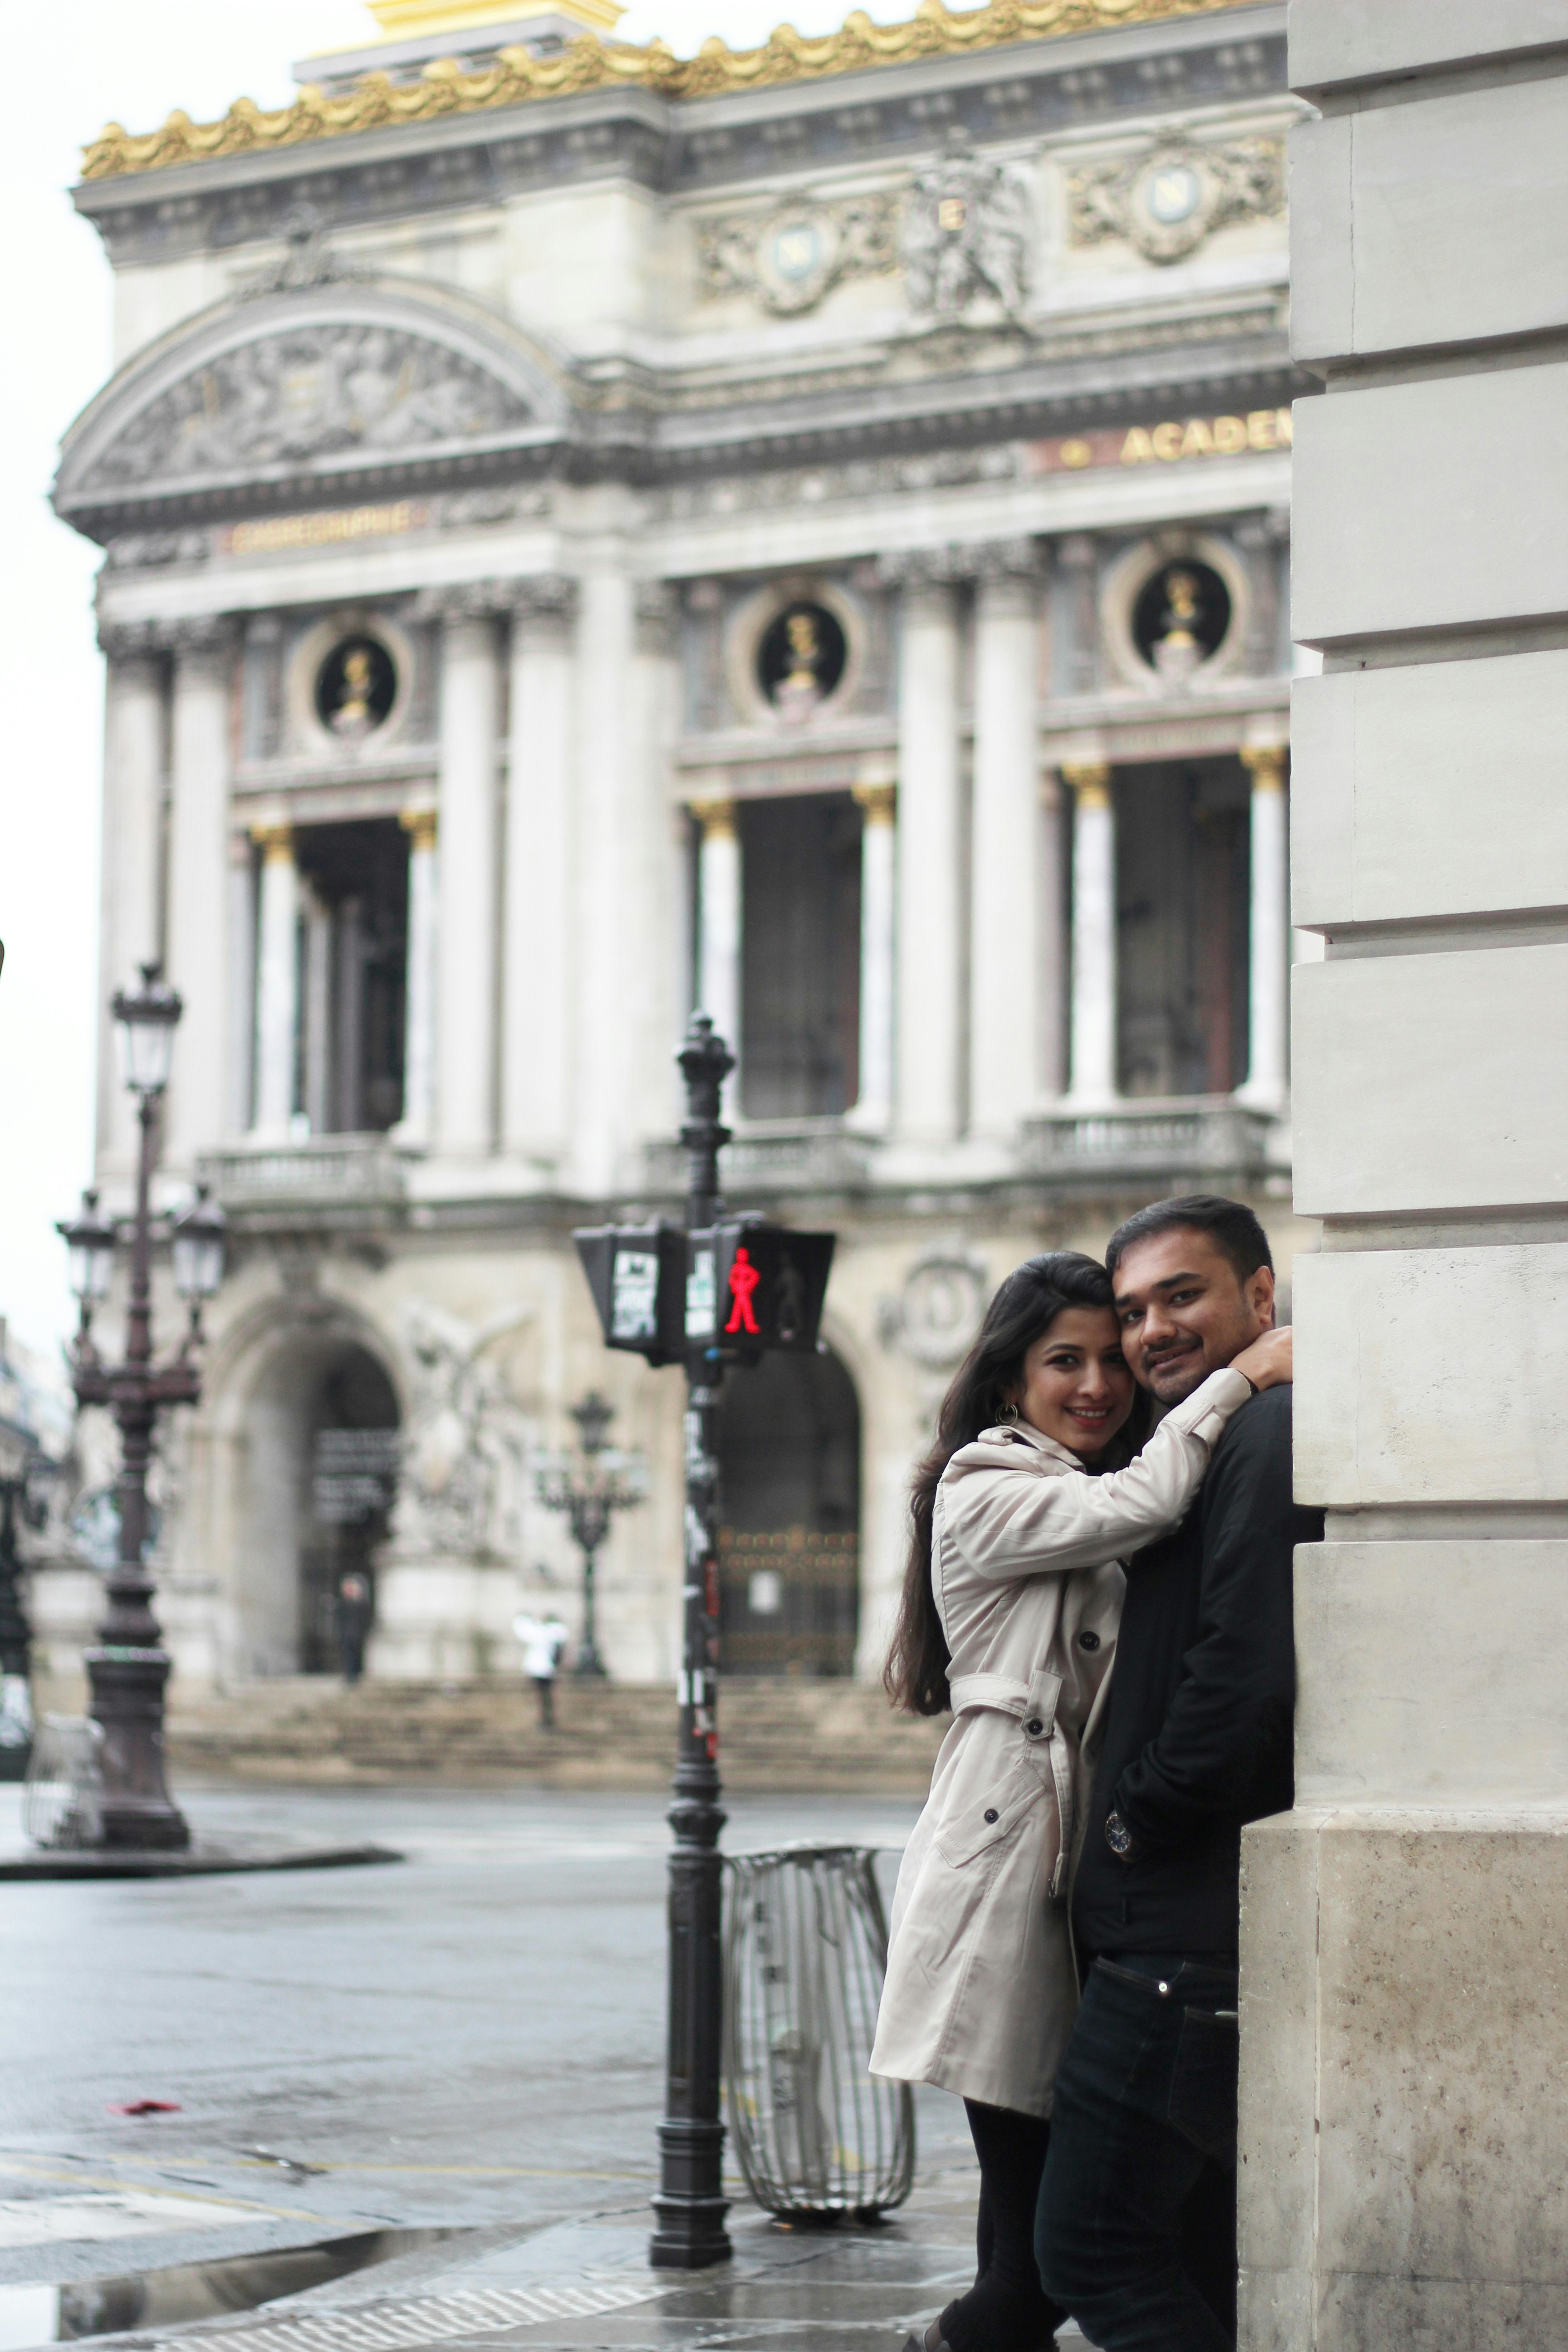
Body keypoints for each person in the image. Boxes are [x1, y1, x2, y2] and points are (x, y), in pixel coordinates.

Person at [870, 1251, 1290, 2352]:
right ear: (1010, 1378)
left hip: (1071, 1860)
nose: (1098, 1381)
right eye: (1066, 1360)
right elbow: (1138, 1506)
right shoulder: (985, 1479)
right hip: (1007, 1855)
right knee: (1038, 2262)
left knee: (1032, 2247)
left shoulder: (1077, 1471)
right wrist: (1242, 1376)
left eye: (1112, 1357)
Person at [1035, 1196, 1324, 2352]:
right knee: (1194, 2251)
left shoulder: (1264, 1431)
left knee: (1090, 2250)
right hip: (1178, 1918)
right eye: (1131, 1307)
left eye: (1180, 1295)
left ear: (1260, 1297)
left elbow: (1239, 1678)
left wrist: (1128, 1824)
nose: (1150, 1328)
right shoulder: (1197, 1442)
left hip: (1179, 1927)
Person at [514, 1609, 568, 1728]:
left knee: (543, 1694)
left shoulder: (542, 1633)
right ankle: (546, 1718)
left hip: (541, 1669)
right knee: (545, 1694)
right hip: (547, 1669)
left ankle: (546, 1718)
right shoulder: (554, 1633)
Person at [335, 1570, 372, 1683]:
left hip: (358, 1634)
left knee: (357, 1655)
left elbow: (366, 1619)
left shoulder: (360, 1603)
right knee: (348, 1656)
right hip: (347, 1634)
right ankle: (350, 1676)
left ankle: (357, 1674)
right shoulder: (343, 1603)